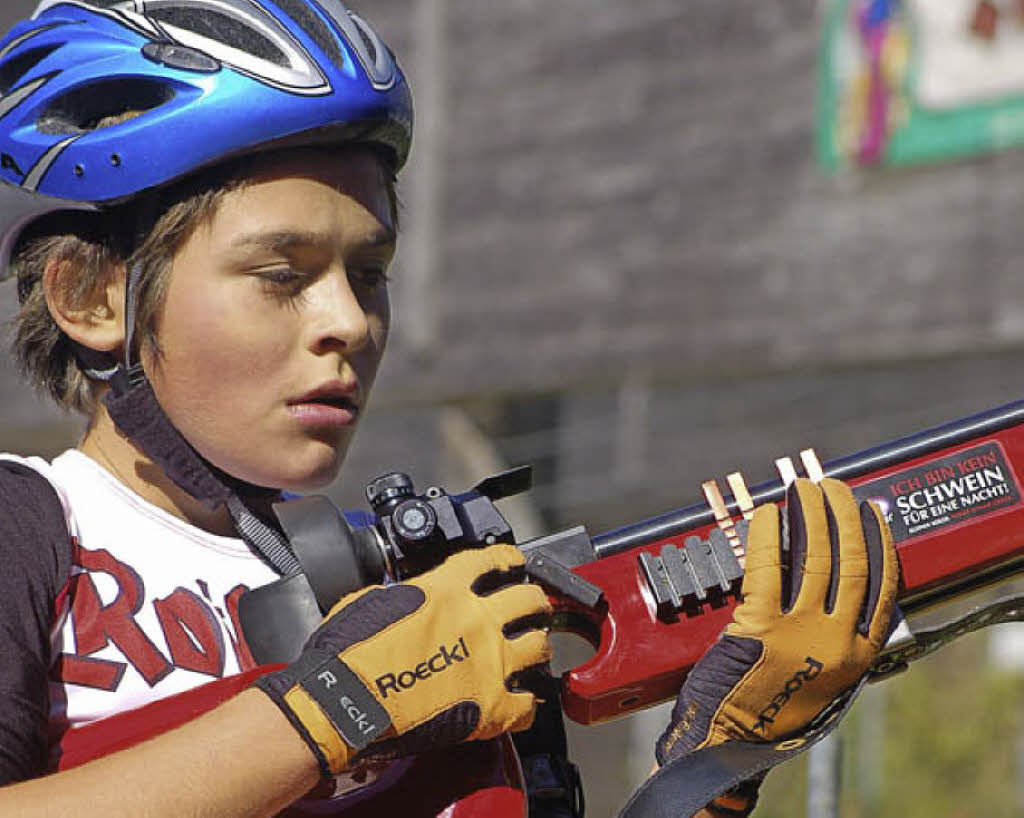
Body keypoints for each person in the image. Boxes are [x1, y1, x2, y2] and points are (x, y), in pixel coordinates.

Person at [0, 2, 898, 817]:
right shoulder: (36, 528)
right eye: (282, 273)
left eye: (368, 274)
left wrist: (716, 771)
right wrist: (336, 710)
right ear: (92, 296)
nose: (349, 322)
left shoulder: (404, 599)